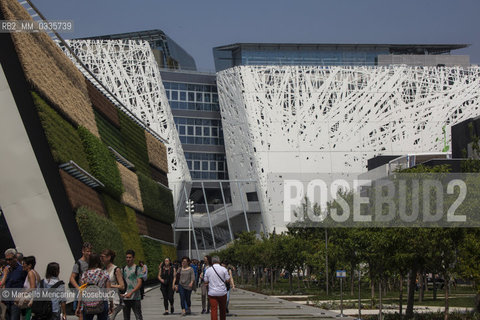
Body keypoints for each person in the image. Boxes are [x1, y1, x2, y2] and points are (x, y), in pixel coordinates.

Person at [76, 253, 112, 320]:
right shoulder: (104, 273)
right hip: (102, 301)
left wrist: (79, 307)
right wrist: (111, 304)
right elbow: (108, 291)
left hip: (88, 302)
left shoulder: (85, 274)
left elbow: (81, 291)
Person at [100, 250, 124, 320]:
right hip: (105, 300)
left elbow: (122, 286)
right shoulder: (103, 269)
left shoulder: (116, 269)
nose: (101, 258)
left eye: (102, 257)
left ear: (109, 257)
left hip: (114, 300)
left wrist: (109, 285)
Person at [70, 242, 92, 318]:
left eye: (90, 251)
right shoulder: (78, 263)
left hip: (90, 290)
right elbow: (72, 278)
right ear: (83, 251)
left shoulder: (92, 262)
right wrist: (79, 288)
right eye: (87, 251)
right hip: (82, 289)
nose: (89, 253)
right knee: (81, 312)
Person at [4, 248, 27, 320]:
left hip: (16, 301)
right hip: (7, 301)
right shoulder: (7, 270)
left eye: (10, 259)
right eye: (6, 260)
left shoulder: (21, 270)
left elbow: (26, 284)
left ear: (15, 258)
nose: (8, 262)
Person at [204, 256, 229, 320]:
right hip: (222, 292)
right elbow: (227, 280)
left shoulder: (208, 270)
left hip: (212, 293)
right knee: (222, 309)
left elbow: (205, 281)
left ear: (212, 262)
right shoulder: (224, 269)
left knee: (213, 309)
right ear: (219, 261)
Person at [122, 250, 143, 320]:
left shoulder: (138, 269)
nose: (128, 259)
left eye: (130, 257)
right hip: (125, 297)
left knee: (138, 317)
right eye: (127, 257)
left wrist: (131, 292)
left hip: (135, 297)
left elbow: (139, 283)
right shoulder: (123, 269)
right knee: (126, 317)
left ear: (133, 258)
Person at [21, 256, 41, 320]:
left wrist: (23, 293)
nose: (22, 265)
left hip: (31, 302)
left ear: (29, 265)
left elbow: (33, 288)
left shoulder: (30, 273)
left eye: (24, 264)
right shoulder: (35, 273)